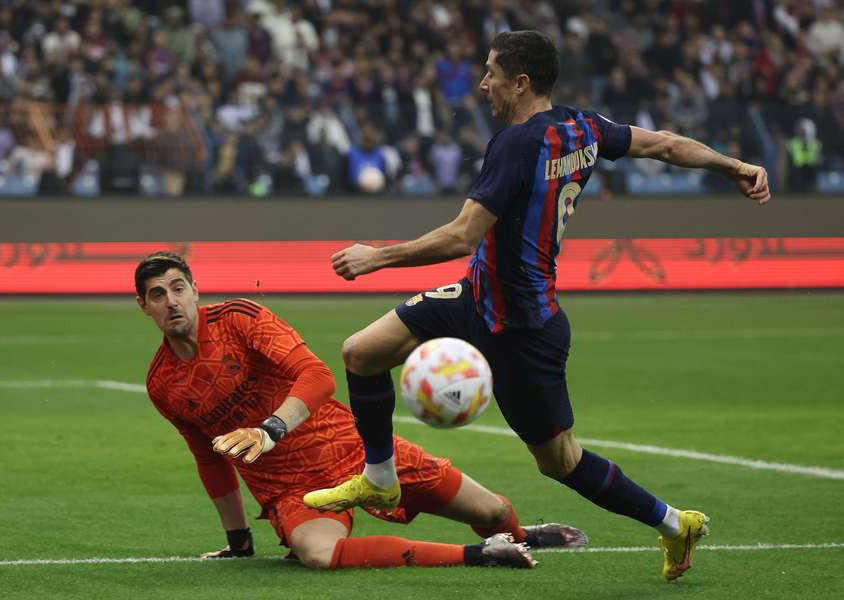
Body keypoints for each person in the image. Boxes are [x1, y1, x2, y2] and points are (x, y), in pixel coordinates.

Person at [303, 31, 771, 582]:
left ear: (520, 82)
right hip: (476, 296)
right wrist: (732, 165)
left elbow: (461, 236)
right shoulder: (585, 126)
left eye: (491, 73)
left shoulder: (516, 143)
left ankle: (674, 522)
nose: (483, 84)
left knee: (561, 462)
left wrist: (378, 257)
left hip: (522, 326)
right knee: (362, 352)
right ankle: (381, 477)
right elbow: (665, 144)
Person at [135, 251, 587, 570]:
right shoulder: (162, 384)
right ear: (145, 306)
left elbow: (318, 377)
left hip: (357, 451)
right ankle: (480, 555)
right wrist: (238, 540)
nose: (171, 301)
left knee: (490, 514)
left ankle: (520, 536)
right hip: (289, 486)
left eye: (178, 288)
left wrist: (270, 428)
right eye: (158, 294)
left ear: (195, 290)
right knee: (318, 555)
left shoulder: (240, 318)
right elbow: (209, 459)